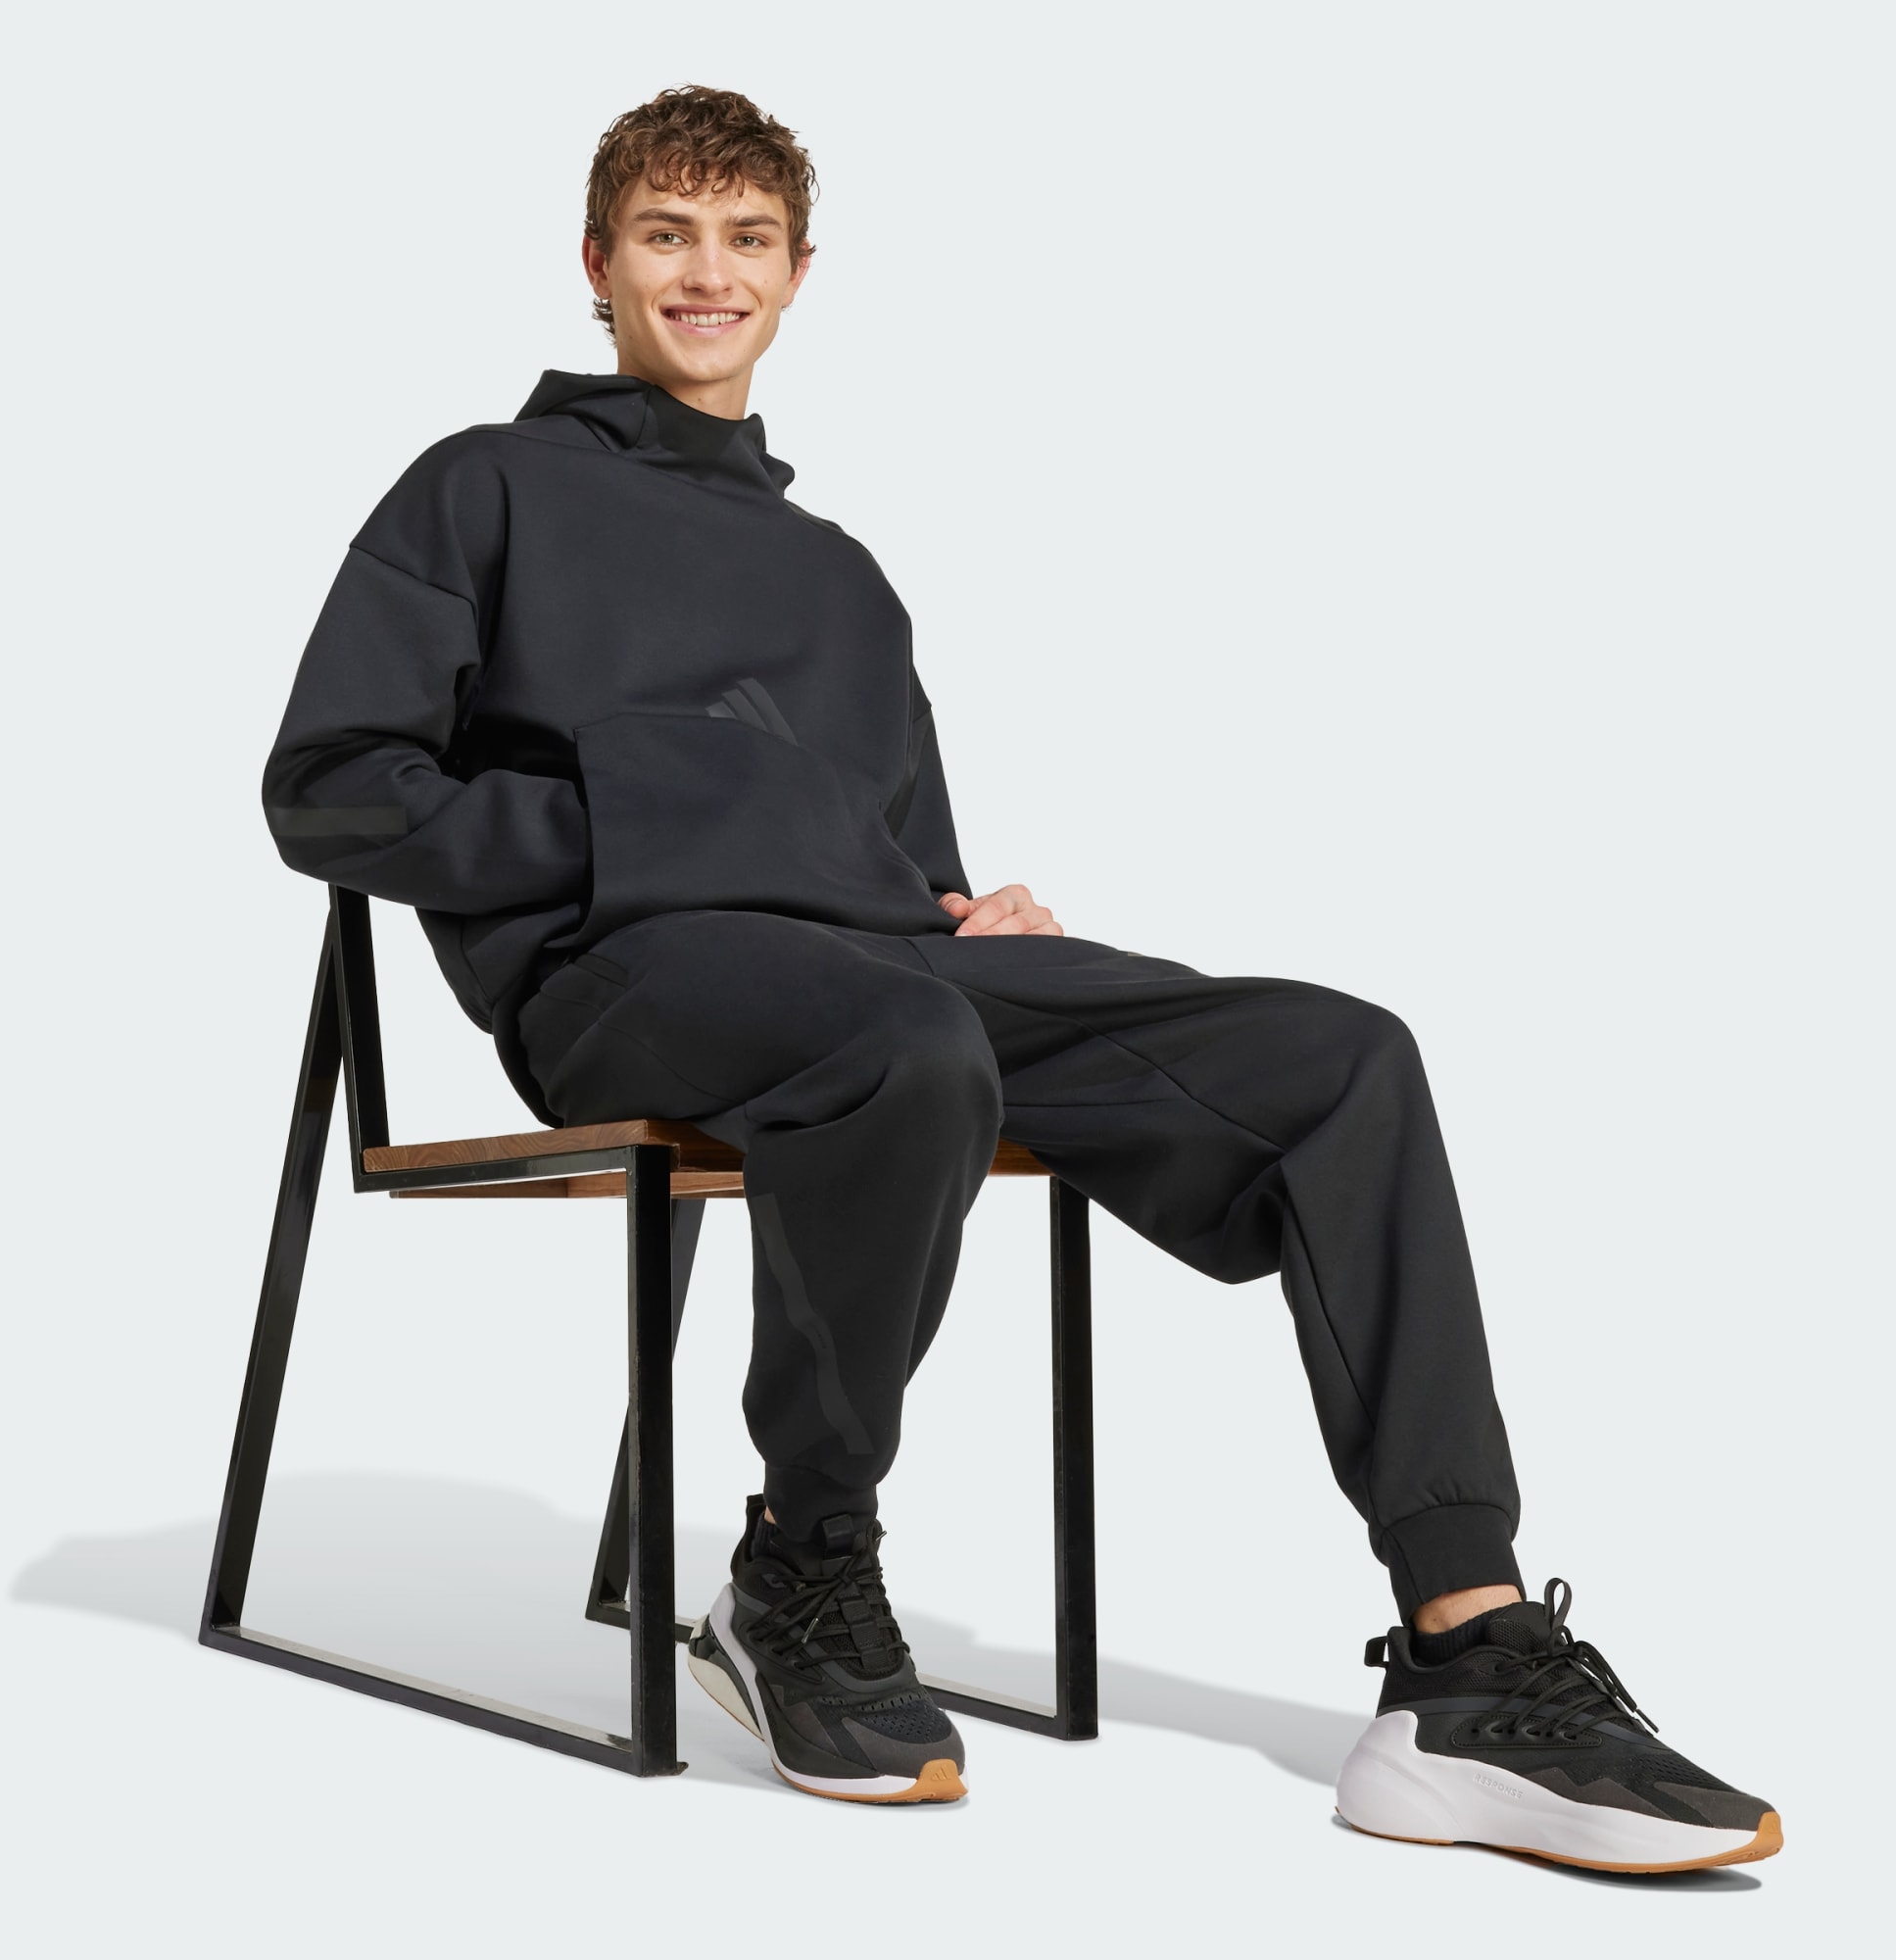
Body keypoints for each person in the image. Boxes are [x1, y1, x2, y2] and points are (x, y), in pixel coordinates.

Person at [261, 84, 1779, 1866]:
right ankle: (799, 1567)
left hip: (878, 977)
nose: (707, 273)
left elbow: (900, 867)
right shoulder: (483, 486)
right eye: (666, 235)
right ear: (596, 263)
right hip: (623, 975)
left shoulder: (843, 578)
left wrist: (965, 907)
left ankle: (1469, 1649)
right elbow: (329, 789)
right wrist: (638, 832)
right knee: (905, 1041)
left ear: (799, 275)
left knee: (1340, 1059)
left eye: (747, 239)